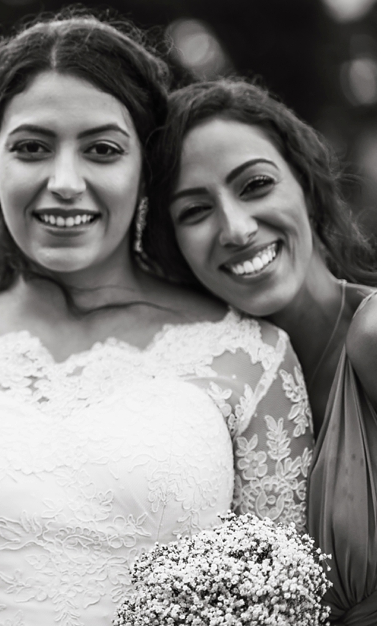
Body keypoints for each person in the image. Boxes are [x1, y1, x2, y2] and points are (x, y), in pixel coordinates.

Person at [0, 15, 315, 625]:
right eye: (32, 148)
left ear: (144, 170)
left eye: (102, 150)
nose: (65, 182)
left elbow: (288, 608)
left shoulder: (249, 357)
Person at [144, 78, 376, 625]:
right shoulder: (204, 396)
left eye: (255, 185)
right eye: (195, 211)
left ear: (306, 183)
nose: (237, 228)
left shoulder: (375, 334)